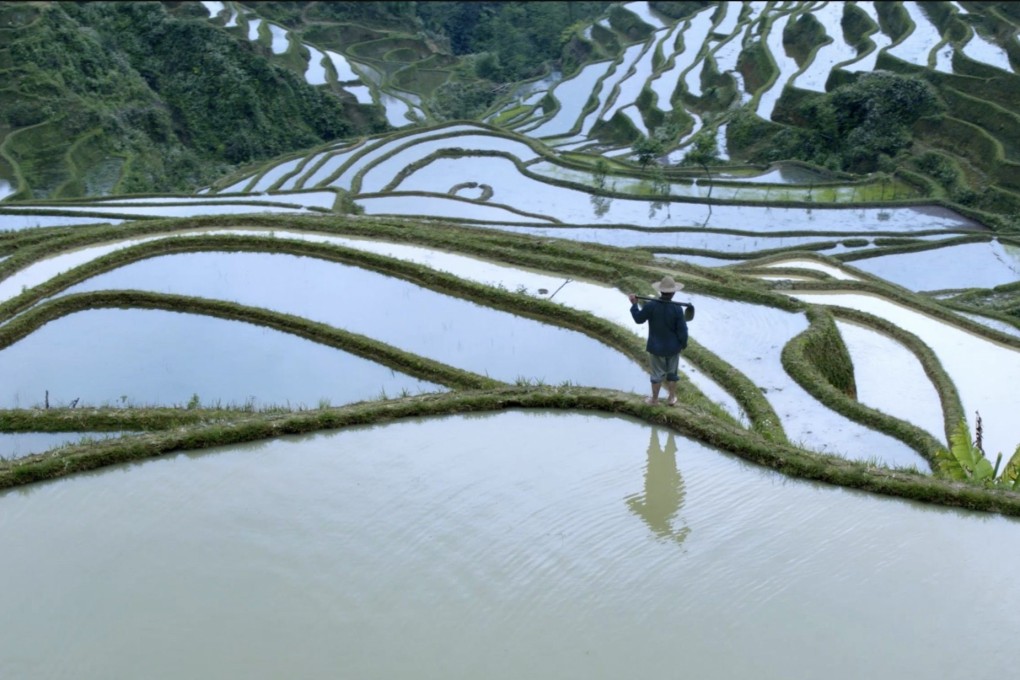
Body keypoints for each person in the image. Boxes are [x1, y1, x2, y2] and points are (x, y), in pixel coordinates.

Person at [628, 275, 689, 406]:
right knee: (672, 374)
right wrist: (683, 344)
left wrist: (634, 305)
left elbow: (639, 319)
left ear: (661, 291)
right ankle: (671, 398)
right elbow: (683, 331)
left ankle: (654, 400)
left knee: (657, 374)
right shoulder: (677, 309)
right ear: (673, 292)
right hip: (673, 348)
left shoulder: (651, 306)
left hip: (656, 348)